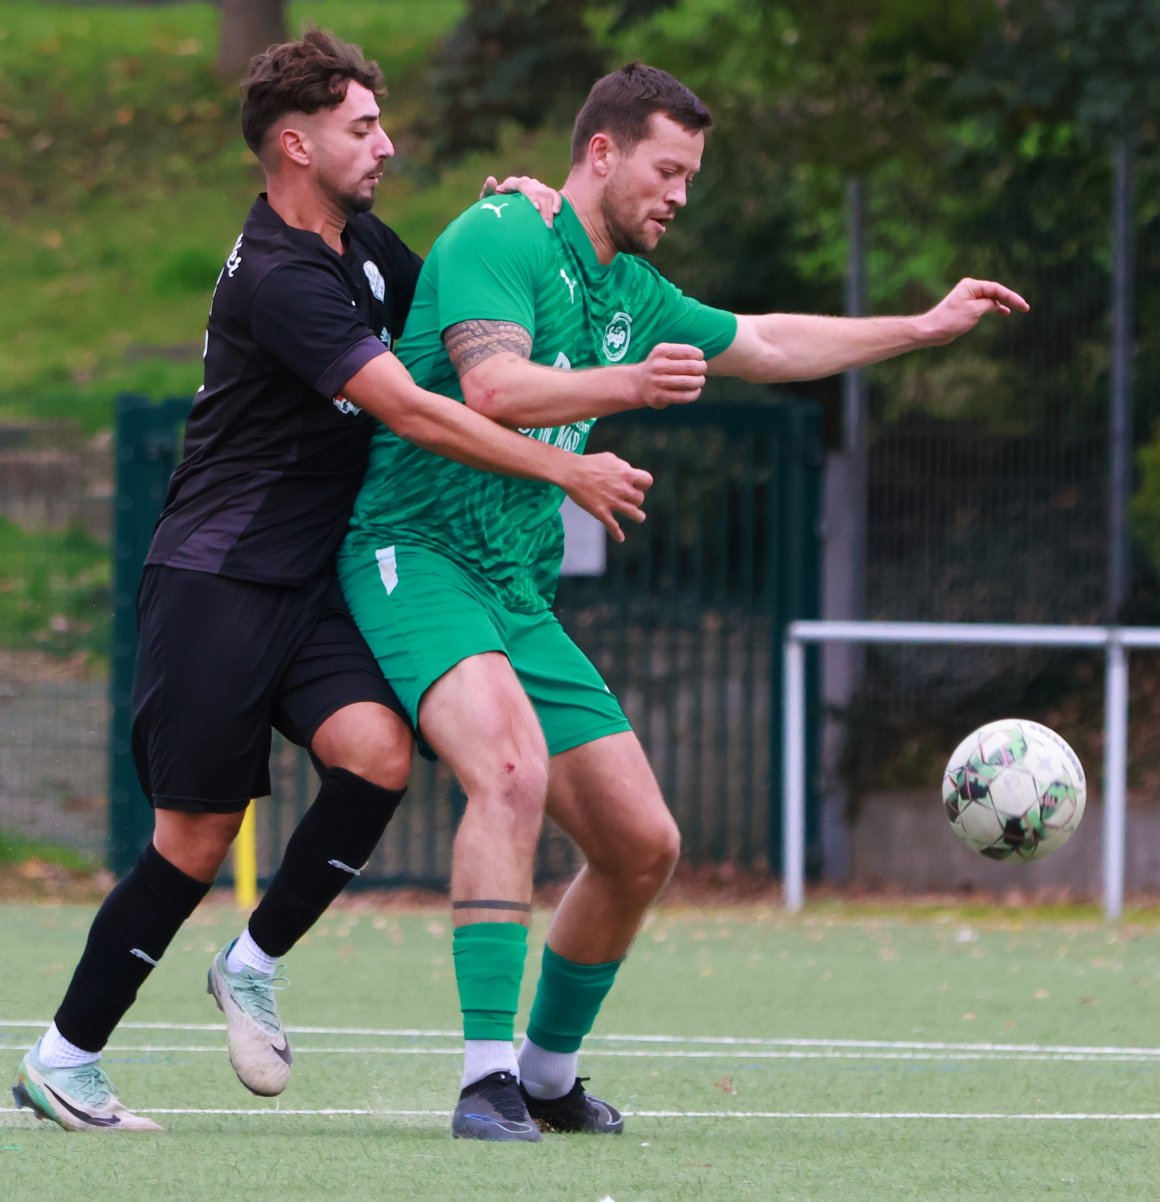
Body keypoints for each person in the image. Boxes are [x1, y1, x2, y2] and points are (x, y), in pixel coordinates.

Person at [336, 62, 1030, 1141]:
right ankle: (483, 1080)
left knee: (641, 842)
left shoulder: (631, 292)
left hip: (515, 589)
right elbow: (490, 389)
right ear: (601, 154)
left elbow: (761, 343)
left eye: (690, 178)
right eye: (666, 169)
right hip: (415, 552)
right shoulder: (499, 235)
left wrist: (919, 327)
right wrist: (624, 389)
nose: (678, 194)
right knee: (510, 772)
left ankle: (547, 1072)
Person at [11, 29, 656, 1134]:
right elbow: (409, 406)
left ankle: (251, 959)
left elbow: (453, 312)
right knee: (195, 836)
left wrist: (515, 213)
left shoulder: (363, 247)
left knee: (378, 754)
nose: (386, 145)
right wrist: (563, 464)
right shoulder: (278, 276)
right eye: (363, 128)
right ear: (296, 144)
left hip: (307, 585)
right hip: (216, 581)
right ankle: (65, 1056)